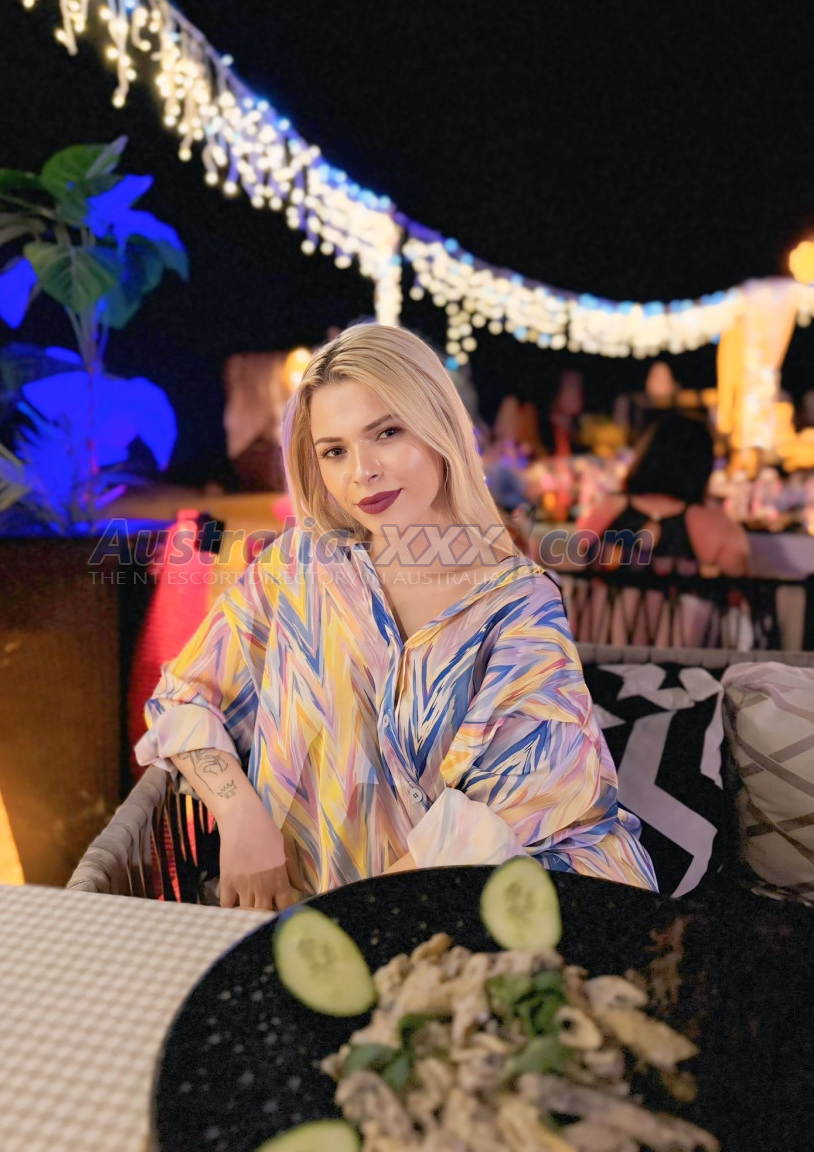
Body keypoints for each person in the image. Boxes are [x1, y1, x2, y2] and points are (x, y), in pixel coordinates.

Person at [135, 324, 657, 910]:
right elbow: (184, 699)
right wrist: (240, 817)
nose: (362, 471)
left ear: (439, 427)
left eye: (387, 432)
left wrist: (349, 921)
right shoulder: (297, 568)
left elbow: (503, 816)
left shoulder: (516, 603)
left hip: (474, 912)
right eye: (334, 451)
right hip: (314, 913)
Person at [581, 413, 750, 576]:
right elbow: (737, 583)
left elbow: (575, 561)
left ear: (646, 455)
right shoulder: (716, 525)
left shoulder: (607, 508)